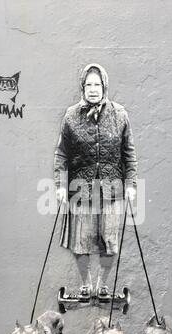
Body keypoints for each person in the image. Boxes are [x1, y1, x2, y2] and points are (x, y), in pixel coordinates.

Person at [54, 63, 137, 299]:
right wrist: (60, 186)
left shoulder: (119, 114)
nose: (93, 89)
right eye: (88, 84)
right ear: (83, 87)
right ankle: (85, 284)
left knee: (109, 240)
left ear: (104, 86)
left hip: (113, 190)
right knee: (81, 241)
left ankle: (102, 284)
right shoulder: (71, 116)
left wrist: (130, 185)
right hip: (81, 190)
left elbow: (129, 153)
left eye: (97, 84)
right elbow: (61, 154)